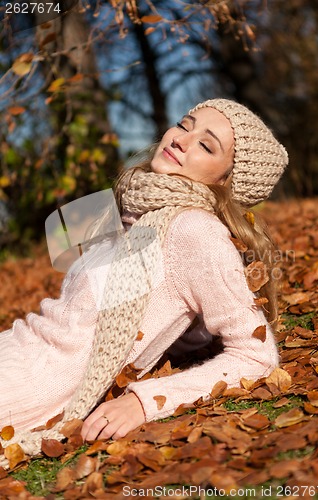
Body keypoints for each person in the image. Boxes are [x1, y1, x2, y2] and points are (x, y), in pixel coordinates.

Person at [0, 98, 288, 459]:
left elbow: (256, 355)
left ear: (226, 179)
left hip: (30, 383)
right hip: (15, 347)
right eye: (185, 125)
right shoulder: (131, 209)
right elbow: (149, 310)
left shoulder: (195, 231)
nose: (181, 139)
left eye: (205, 144)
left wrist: (144, 402)